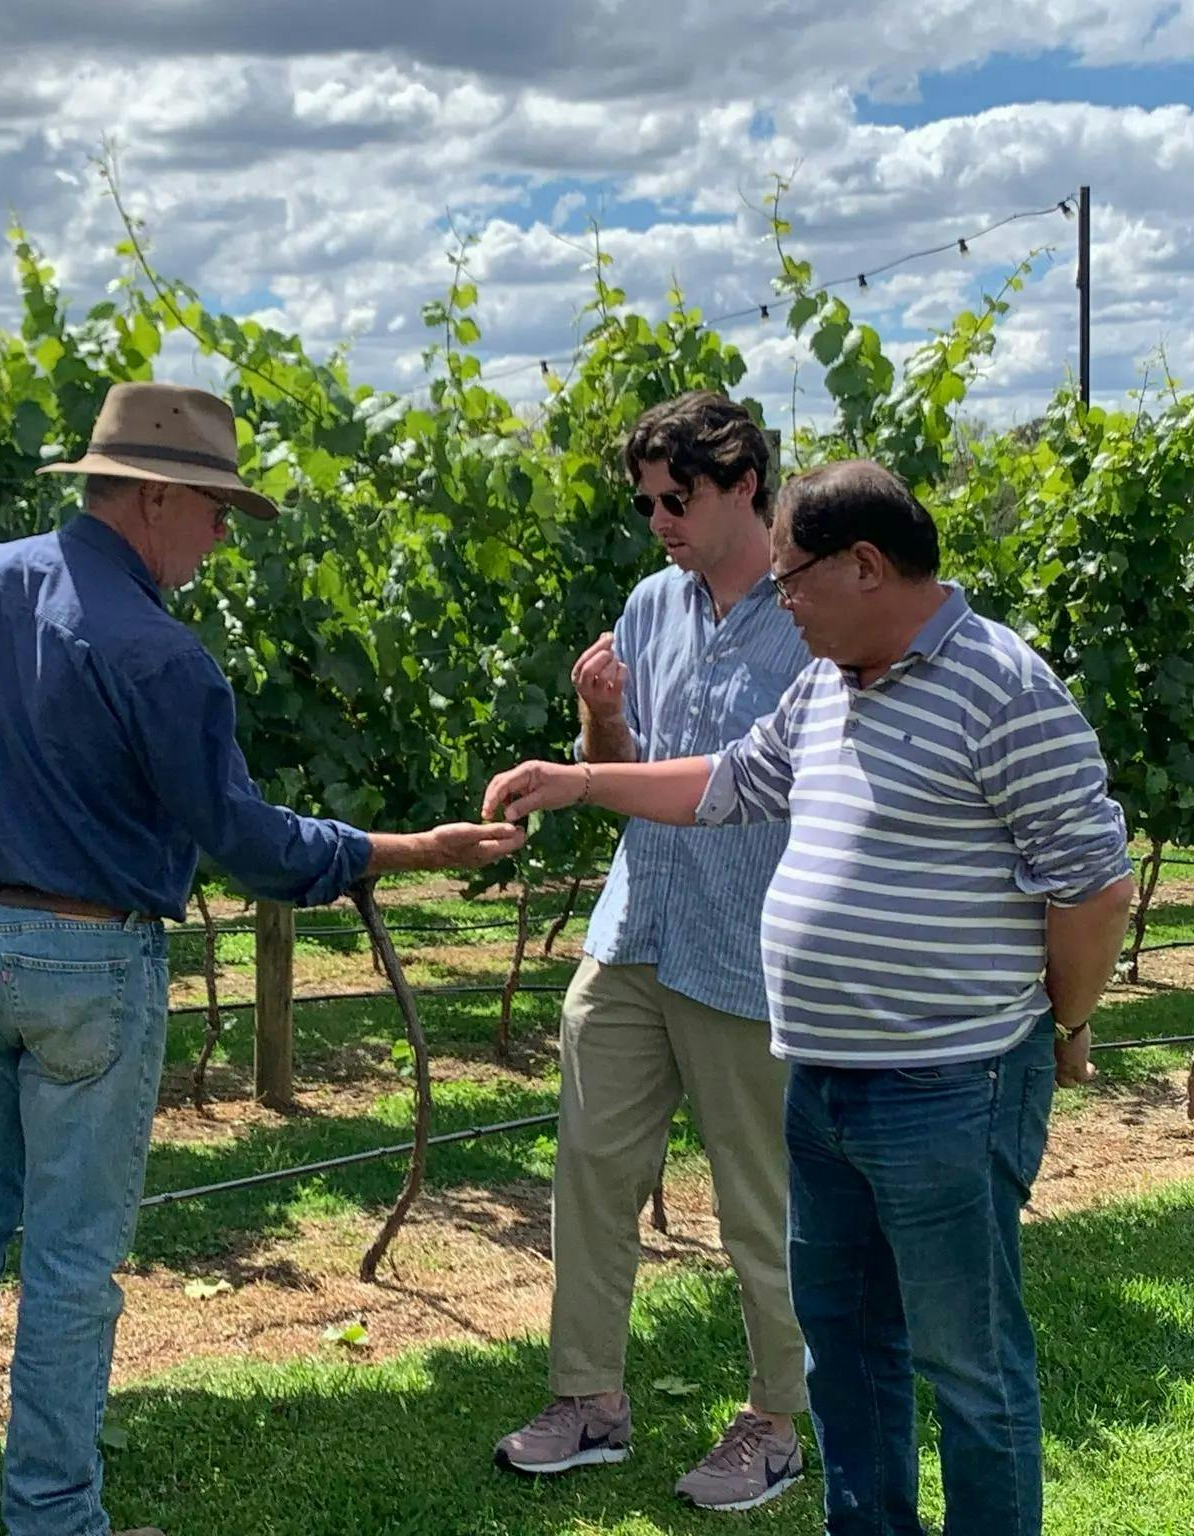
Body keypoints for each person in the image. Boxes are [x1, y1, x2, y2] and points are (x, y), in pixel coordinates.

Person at [0, 381, 527, 1536]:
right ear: (155, 498)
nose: (222, 540)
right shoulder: (161, 657)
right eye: (216, 511)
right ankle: (53, 1514)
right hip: (83, 962)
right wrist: (405, 847)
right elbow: (248, 843)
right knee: (72, 1257)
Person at [484, 458, 1134, 1536]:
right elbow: (733, 781)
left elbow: (1094, 887)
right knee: (846, 1355)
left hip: (948, 1083)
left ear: (864, 565)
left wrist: (1059, 1024)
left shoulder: (1004, 687)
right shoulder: (829, 682)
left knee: (966, 1365)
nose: (778, 600)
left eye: (792, 579)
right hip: (823, 1083)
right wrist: (583, 777)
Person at [492, 393, 815, 1512]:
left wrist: (585, 773)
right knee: (589, 1170)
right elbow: (623, 766)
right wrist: (596, 719)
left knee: (756, 1202)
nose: (659, 520)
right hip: (634, 928)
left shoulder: (808, 614)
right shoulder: (647, 605)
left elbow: (742, 789)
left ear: (743, 485)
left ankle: (776, 1418)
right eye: (645, 503)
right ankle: (587, 1400)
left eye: (676, 499)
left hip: (747, 946)